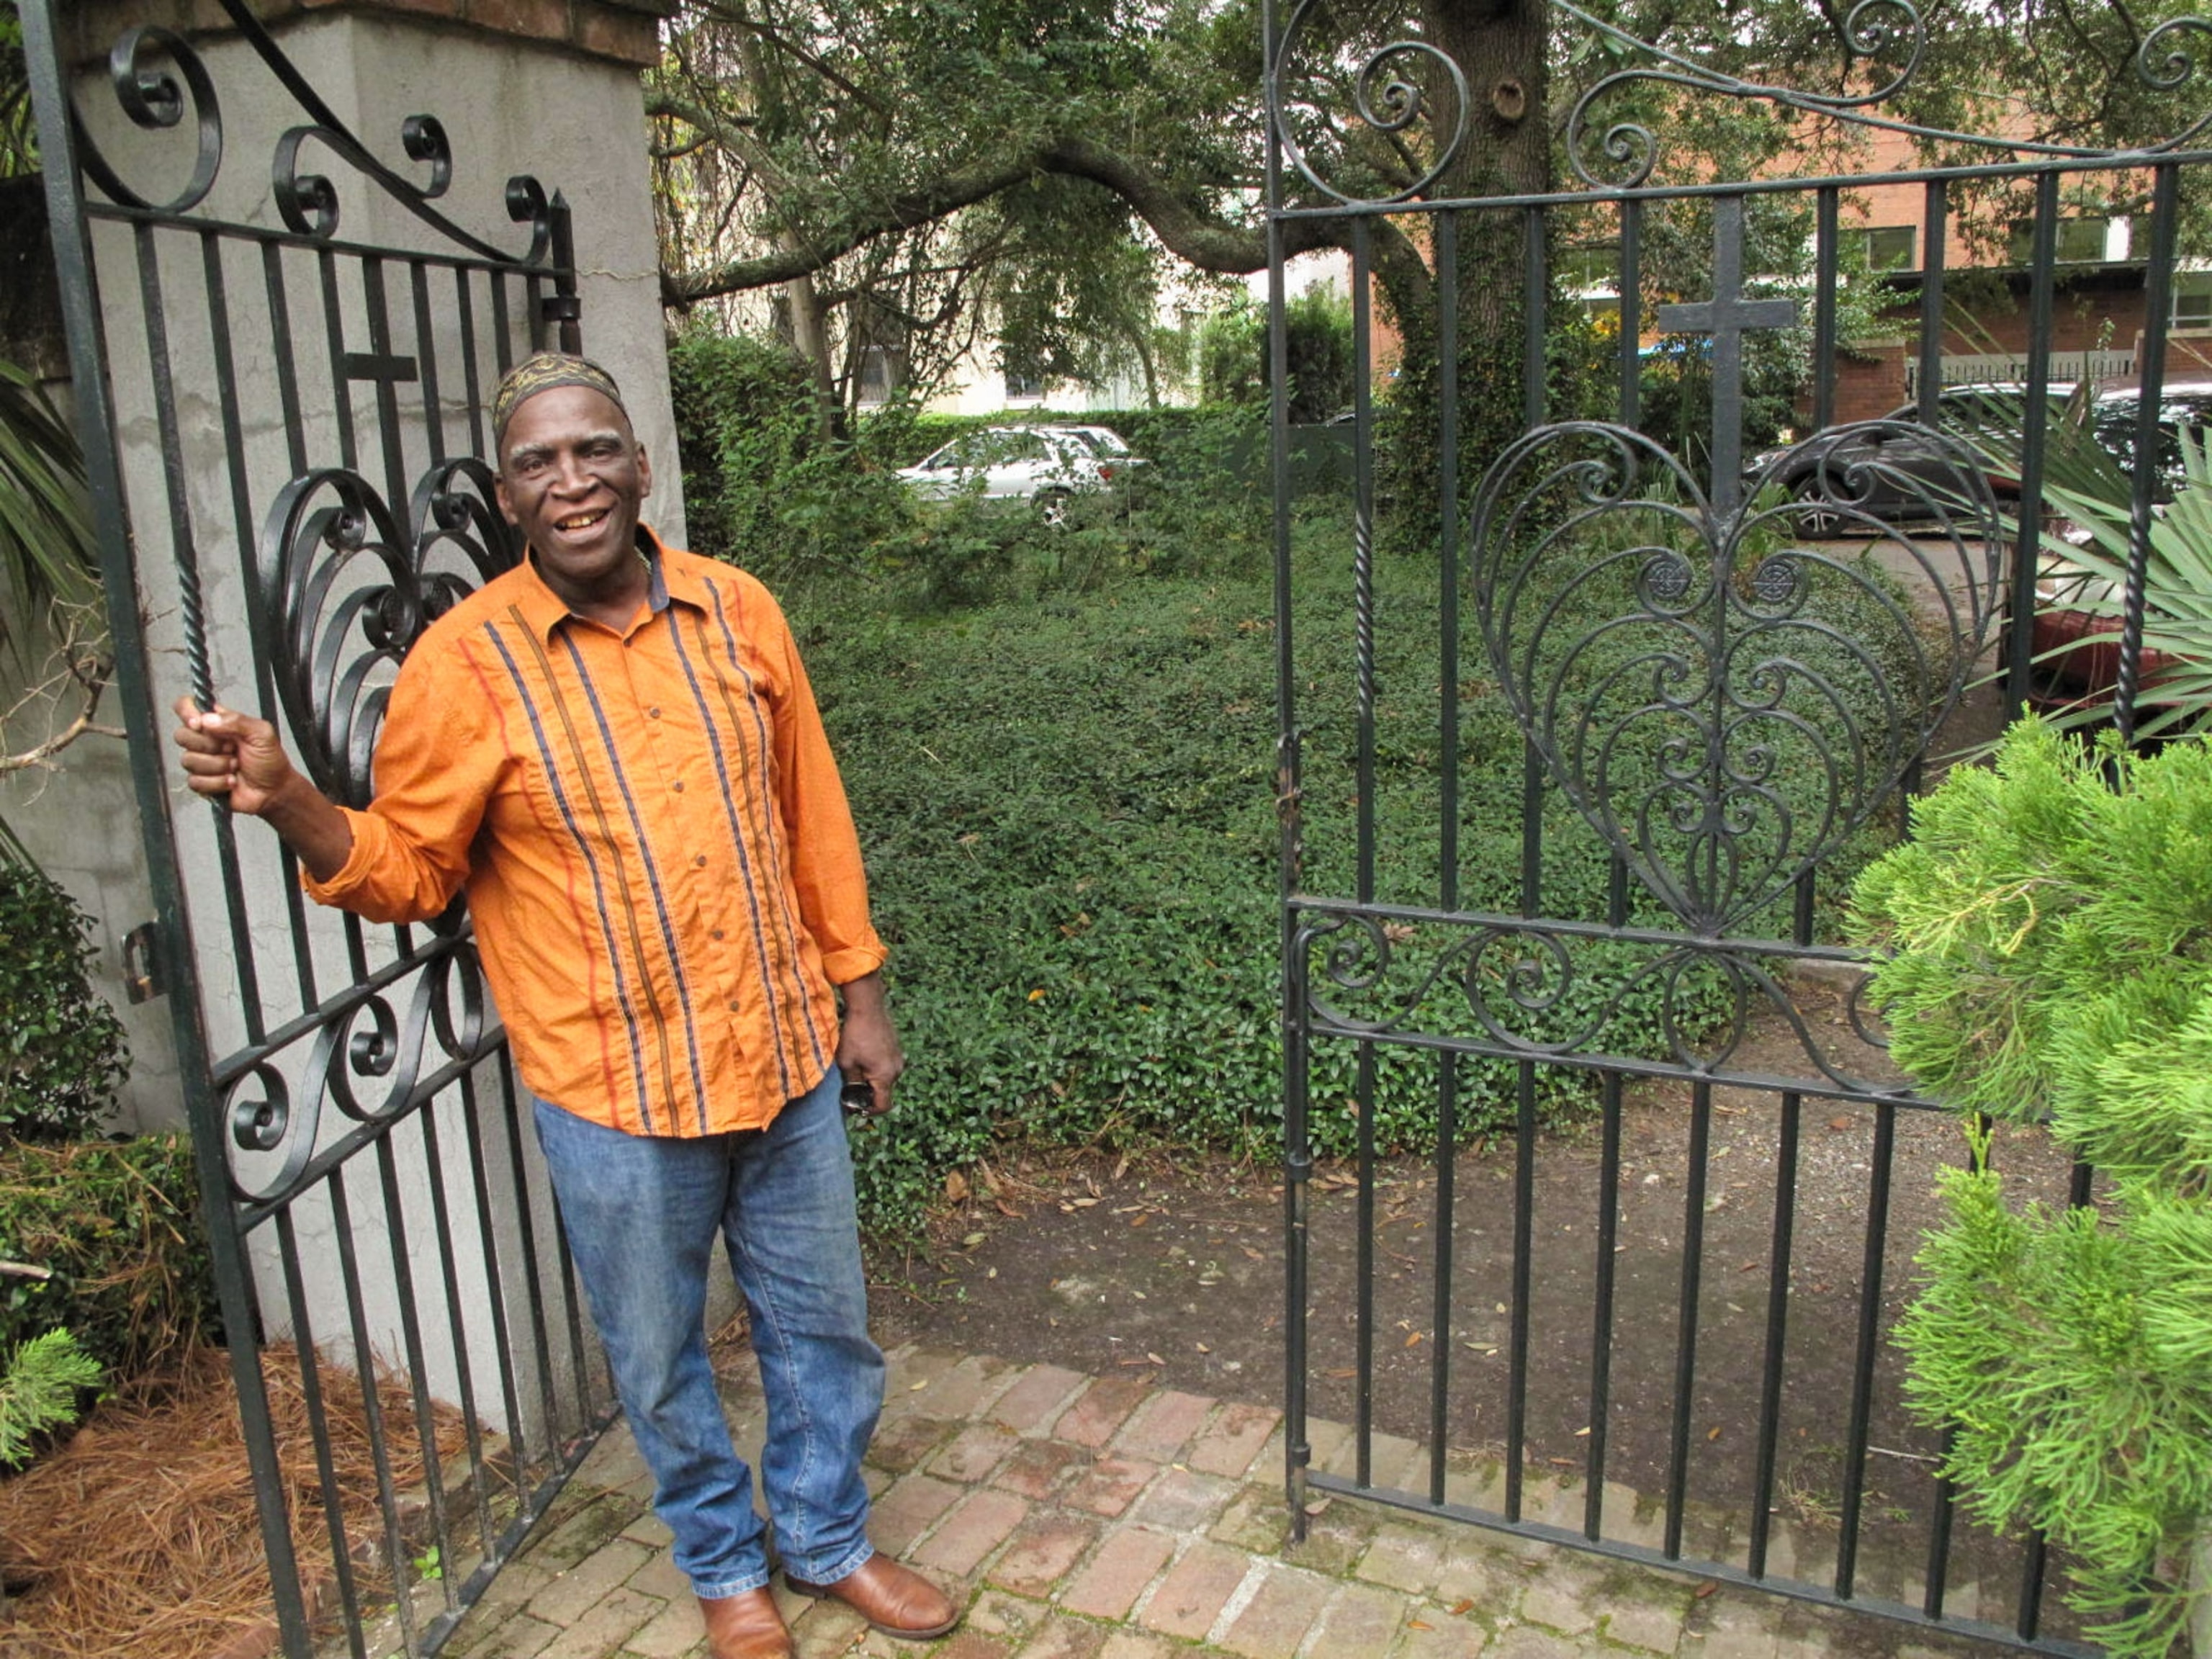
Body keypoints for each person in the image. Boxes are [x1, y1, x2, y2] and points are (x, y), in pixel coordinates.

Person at [173, 354, 959, 1659]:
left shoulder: (739, 612)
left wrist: (859, 997)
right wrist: (293, 799)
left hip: (781, 1053)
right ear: (507, 494)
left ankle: (824, 1542)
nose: (572, 480)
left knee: (825, 1329)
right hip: (616, 1091)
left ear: (639, 465)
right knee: (658, 1360)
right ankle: (725, 1570)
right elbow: (411, 872)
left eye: (594, 450)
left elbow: (812, 819)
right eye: (539, 463)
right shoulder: (460, 665)